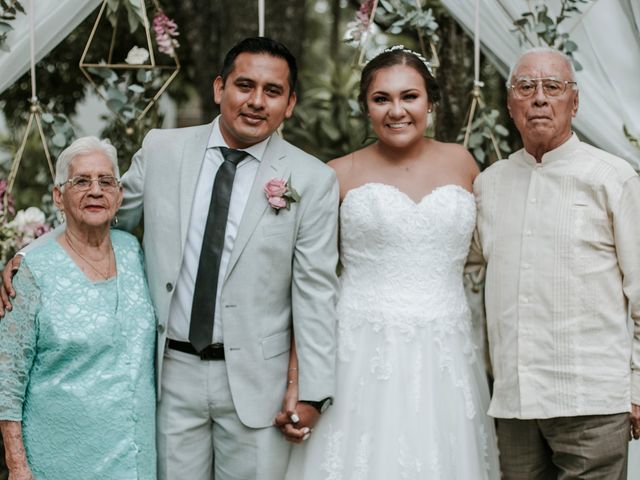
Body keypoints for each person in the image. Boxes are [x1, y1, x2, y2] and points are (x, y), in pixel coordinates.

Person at [280, 45, 500, 479]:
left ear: (430, 102)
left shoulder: (463, 163)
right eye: (382, 99)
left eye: (409, 97)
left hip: (447, 353)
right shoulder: (337, 174)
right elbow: (310, 284)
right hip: (360, 353)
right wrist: (297, 382)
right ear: (365, 106)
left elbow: (492, 249)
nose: (396, 110)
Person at [468, 46, 640, 479]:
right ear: (510, 104)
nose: (539, 98)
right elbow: (462, 274)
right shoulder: (489, 185)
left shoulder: (613, 178)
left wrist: (638, 387)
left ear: (575, 102)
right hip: (515, 401)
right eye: (526, 87)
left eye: (553, 87)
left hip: (591, 399)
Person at [0, 136, 157, 479]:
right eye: (81, 181)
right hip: (61, 461)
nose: (96, 190)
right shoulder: (30, 271)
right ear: (59, 195)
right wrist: (17, 465)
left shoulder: (134, 251)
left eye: (106, 181)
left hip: (135, 459)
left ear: (119, 194)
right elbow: (6, 378)